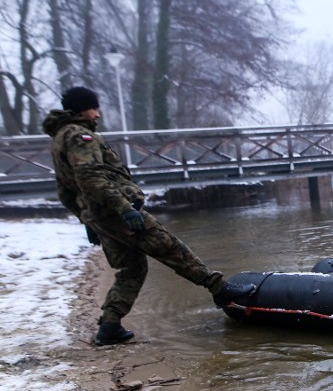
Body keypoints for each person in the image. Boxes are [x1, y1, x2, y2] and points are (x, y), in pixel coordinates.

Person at [42, 86, 256, 346]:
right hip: (115, 212)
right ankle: (220, 290)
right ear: (82, 108)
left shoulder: (59, 138)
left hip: (100, 215)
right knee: (170, 247)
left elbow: (64, 190)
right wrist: (124, 208)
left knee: (132, 268)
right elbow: (91, 178)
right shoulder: (79, 136)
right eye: (94, 108)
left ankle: (110, 325)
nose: (98, 114)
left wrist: (85, 219)